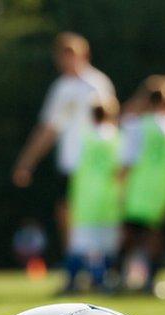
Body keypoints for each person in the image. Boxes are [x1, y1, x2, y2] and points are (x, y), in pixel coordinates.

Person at [12, 32, 117, 248]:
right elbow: (48, 130)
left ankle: (99, 262)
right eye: (63, 55)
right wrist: (26, 163)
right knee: (66, 212)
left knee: (96, 214)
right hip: (70, 162)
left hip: (94, 163)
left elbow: (111, 124)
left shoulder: (97, 84)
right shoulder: (61, 88)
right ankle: (75, 260)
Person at [118, 76, 165, 292]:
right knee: (155, 237)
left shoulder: (136, 126)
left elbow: (128, 159)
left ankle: (124, 278)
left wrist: (120, 183)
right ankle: (151, 280)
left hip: (138, 187)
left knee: (132, 236)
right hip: (162, 188)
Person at [61, 99, 121, 293]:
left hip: (86, 197)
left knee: (83, 243)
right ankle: (104, 280)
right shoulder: (116, 138)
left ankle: (75, 281)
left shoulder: (82, 137)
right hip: (110, 196)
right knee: (105, 244)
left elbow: (70, 166)